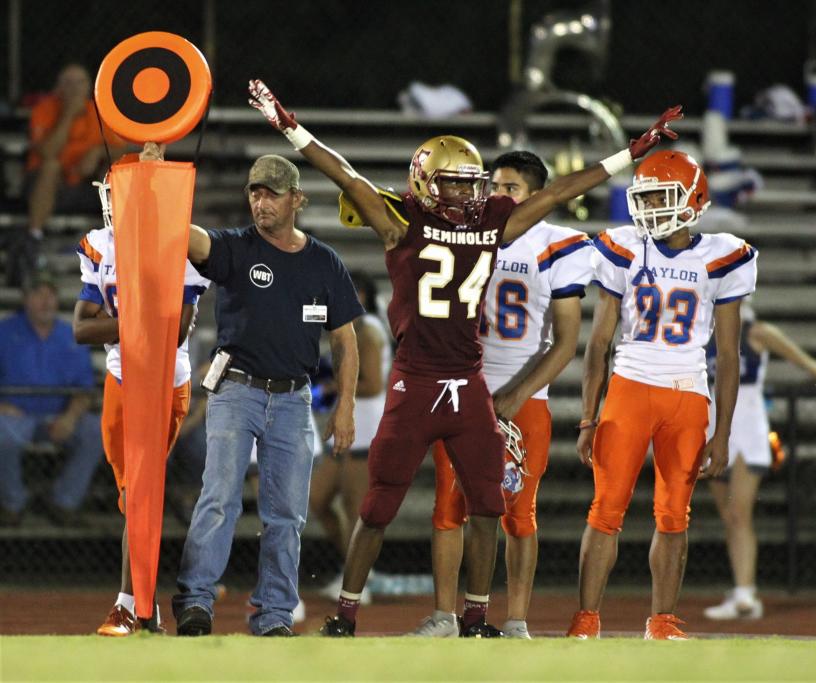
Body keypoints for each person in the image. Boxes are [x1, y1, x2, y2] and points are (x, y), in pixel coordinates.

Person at [247, 78, 681, 636]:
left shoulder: (488, 221)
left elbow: (552, 194)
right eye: (454, 185)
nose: (468, 195)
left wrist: (630, 152)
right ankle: (346, 612)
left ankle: (476, 614)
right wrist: (290, 127)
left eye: (471, 185)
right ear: (426, 185)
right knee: (379, 505)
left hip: (467, 382)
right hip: (415, 381)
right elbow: (343, 173)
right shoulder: (399, 220)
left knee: (488, 504)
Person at [566, 150, 758, 640]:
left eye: (660, 196)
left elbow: (730, 356)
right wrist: (589, 417)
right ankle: (586, 619)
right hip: (630, 387)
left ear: (693, 199)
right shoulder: (625, 247)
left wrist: (723, 431)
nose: (650, 206)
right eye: (645, 196)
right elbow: (599, 343)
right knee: (606, 509)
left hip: (688, 393)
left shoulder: (721, 254)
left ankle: (663, 621)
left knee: (674, 515)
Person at [171, 153, 363, 637]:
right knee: (219, 500)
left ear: (297, 199)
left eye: (272, 192)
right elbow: (191, 238)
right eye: (255, 192)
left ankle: (275, 614)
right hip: (237, 390)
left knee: (287, 515)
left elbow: (346, 340)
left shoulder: (324, 262)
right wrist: (158, 187)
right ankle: (195, 601)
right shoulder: (237, 247)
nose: (261, 201)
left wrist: (345, 407)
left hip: (294, 399)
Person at [417, 151, 594, 638]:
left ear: (535, 196)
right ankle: (445, 616)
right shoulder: (466, 231)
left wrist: (518, 393)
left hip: (523, 397)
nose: (498, 195)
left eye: (511, 188)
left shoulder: (558, 244)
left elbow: (566, 342)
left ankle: (516, 619)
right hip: (460, 387)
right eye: (494, 185)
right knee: (449, 506)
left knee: (518, 514)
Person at [72, 143, 209, 636]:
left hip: (163, 382)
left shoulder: (180, 245)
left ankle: (131, 604)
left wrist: (119, 320)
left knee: (139, 491)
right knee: (131, 496)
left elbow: (171, 332)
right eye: (114, 191)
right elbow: (80, 330)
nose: (114, 200)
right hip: (119, 377)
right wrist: (136, 319)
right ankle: (143, 608)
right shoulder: (100, 244)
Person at [701, 298, 816, 621]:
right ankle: (741, 589)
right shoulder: (704, 332)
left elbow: (806, 363)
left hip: (749, 433)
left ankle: (746, 595)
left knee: (739, 513)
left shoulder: (757, 332)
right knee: (729, 517)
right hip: (715, 430)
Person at [0, 272, 102, 527]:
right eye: (38, 294)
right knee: (1, 432)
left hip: (59, 417)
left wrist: (69, 417)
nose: (46, 301)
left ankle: (63, 502)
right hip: (15, 417)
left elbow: (84, 389)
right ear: (25, 299)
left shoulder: (72, 336)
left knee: (96, 429)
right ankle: (13, 503)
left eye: (51, 295)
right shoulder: (4, 332)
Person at [313, 271, 391, 606]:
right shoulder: (357, 327)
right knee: (317, 499)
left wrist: (334, 389)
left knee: (354, 507)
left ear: (357, 293)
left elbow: (373, 384)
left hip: (365, 428)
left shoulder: (369, 331)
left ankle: (358, 582)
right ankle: (355, 570)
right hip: (348, 426)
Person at [11, 64, 126, 286]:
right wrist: (68, 115)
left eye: (79, 82)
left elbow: (120, 148)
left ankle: (120, 243)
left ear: (89, 87)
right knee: (51, 166)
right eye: (68, 83)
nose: (74, 89)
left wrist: (97, 152)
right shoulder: (45, 109)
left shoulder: (97, 112)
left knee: (115, 172)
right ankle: (34, 237)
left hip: (83, 183)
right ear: (58, 88)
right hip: (43, 186)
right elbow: (47, 152)